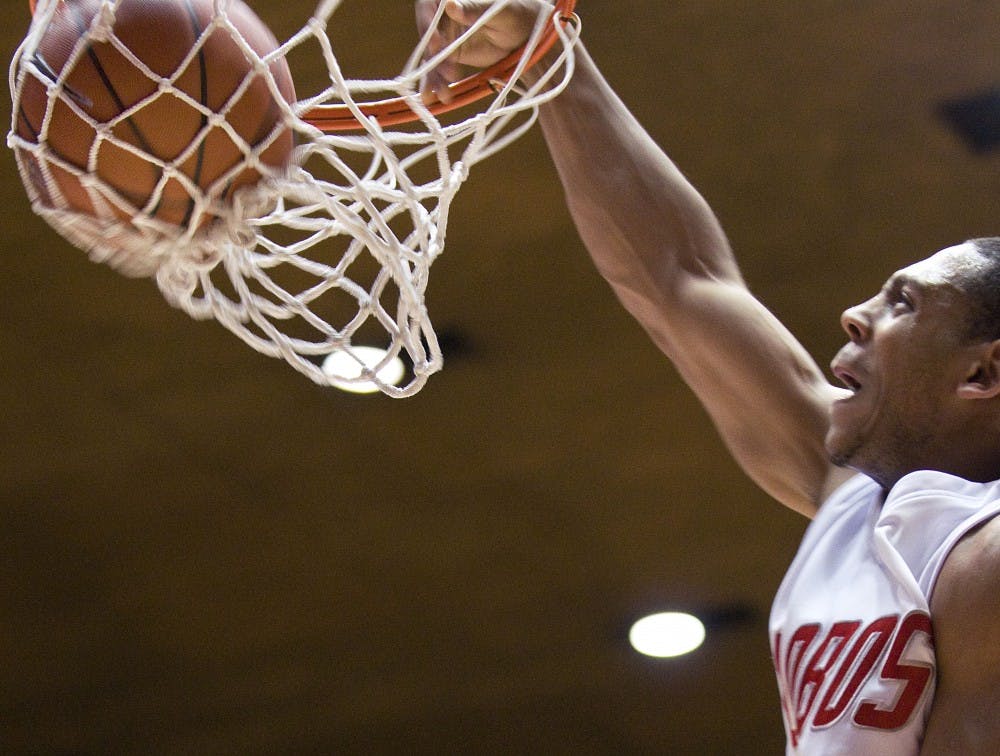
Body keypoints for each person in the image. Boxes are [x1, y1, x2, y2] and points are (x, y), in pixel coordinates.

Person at [417, 1, 1000, 753]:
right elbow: (678, 278)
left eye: (903, 304)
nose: (855, 316)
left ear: (984, 371)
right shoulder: (858, 498)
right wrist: (547, 55)